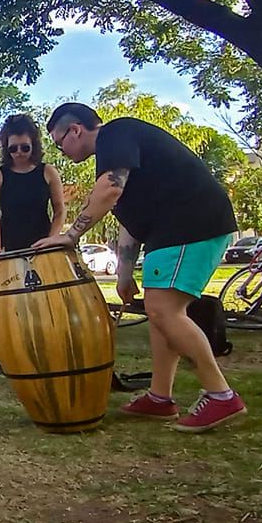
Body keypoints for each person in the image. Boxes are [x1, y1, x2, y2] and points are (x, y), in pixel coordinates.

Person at [34, 103, 246, 433]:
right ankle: (160, 398)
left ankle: (220, 394)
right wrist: (123, 272)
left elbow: (111, 188)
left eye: (60, 143)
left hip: (193, 225)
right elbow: (128, 221)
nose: (62, 152)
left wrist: (71, 235)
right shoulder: (117, 153)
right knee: (160, 313)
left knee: (165, 311)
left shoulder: (116, 133)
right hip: (169, 232)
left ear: (75, 129)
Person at [0, 113, 66, 252]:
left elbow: (59, 210)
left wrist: (51, 240)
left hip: (43, 249)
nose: (19, 152)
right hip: (10, 251)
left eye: (25, 147)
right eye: (13, 148)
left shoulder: (48, 172)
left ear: (33, 145)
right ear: (6, 148)